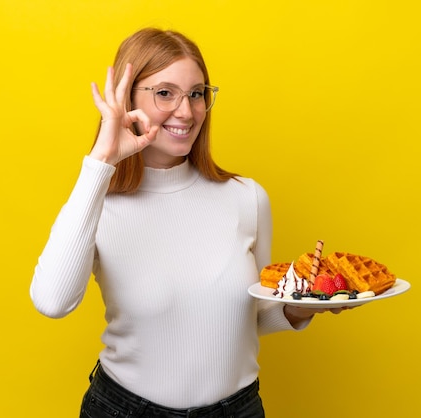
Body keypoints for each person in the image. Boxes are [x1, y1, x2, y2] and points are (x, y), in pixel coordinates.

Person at [30, 27, 344, 418]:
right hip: (125, 410)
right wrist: (101, 162)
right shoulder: (97, 204)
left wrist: (304, 306)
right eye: (165, 93)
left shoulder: (247, 198)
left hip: (237, 410)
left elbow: (251, 316)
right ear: (127, 101)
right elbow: (53, 301)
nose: (186, 111)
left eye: (197, 94)